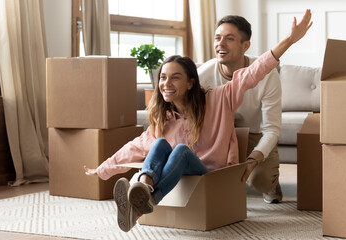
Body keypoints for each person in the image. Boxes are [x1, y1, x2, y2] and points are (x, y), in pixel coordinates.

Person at [84, 9, 312, 232]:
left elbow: (255, 72)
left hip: (211, 171)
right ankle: (144, 190)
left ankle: (150, 198)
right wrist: (102, 169)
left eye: (175, 78)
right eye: (163, 78)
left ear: (191, 83)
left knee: (181, 150)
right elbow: (135, 146)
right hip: (181, 170)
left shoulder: (219, 98)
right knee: (159, 143)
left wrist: (289, 40)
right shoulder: (166, 118)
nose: (167, 84)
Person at [198, 15, 283, 203]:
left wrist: (254, 159)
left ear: (246, 46)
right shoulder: (203, 75)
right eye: (217, 38)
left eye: (229, 38)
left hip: (255, 134)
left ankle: (271, 183)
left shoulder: (267, 74)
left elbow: (272, 129)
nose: (221, 44)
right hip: (220, 135)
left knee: (261, 180)